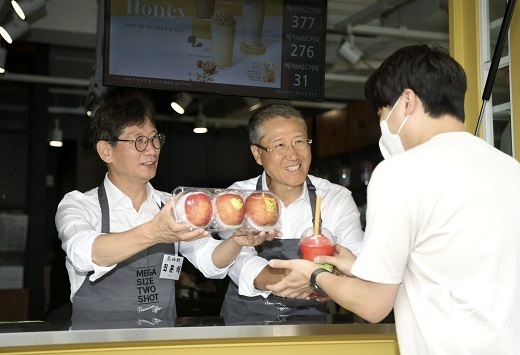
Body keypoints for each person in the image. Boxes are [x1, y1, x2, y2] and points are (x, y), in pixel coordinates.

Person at [266, 44, 520, 354]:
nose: (382, 125)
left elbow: (372, 305)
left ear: (407, 102)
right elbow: (450, 269)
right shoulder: (510, 169)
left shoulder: (399, 172)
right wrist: (360, 266)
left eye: (382, 113)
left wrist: (314, 275)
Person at [56, 89, 277, 325]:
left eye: (154, 138)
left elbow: (209, 261)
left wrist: (236, 242)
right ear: (105, 150)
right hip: (98, 347)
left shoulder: (173, 205)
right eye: (139, 141)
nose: (152, 149)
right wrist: (154, 232)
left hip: (160, 343)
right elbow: (85, 253)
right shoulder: (78, 204)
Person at [218, 104, 364, 323]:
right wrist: (315, 278)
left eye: (299, 142)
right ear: (257, 154)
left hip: (308, 332)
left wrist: (316, 277)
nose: (293, 155)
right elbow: (242, 265)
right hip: (244, 330)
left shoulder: (336, 198)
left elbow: (356, 263)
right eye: (279, 145)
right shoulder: (236, 199)